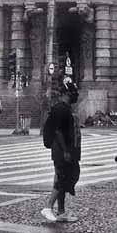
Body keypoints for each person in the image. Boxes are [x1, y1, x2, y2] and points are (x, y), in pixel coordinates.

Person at [41, 77, 81, 223]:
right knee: (62, 178)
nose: (76, 95)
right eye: (73, 92)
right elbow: (58, 132)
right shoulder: (61, 109)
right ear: (67, 93)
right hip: (61, 150)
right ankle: (48, 207)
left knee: (64, 178)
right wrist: (65, 151)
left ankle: (61, 212)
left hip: (65, 150)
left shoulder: (65, 108)